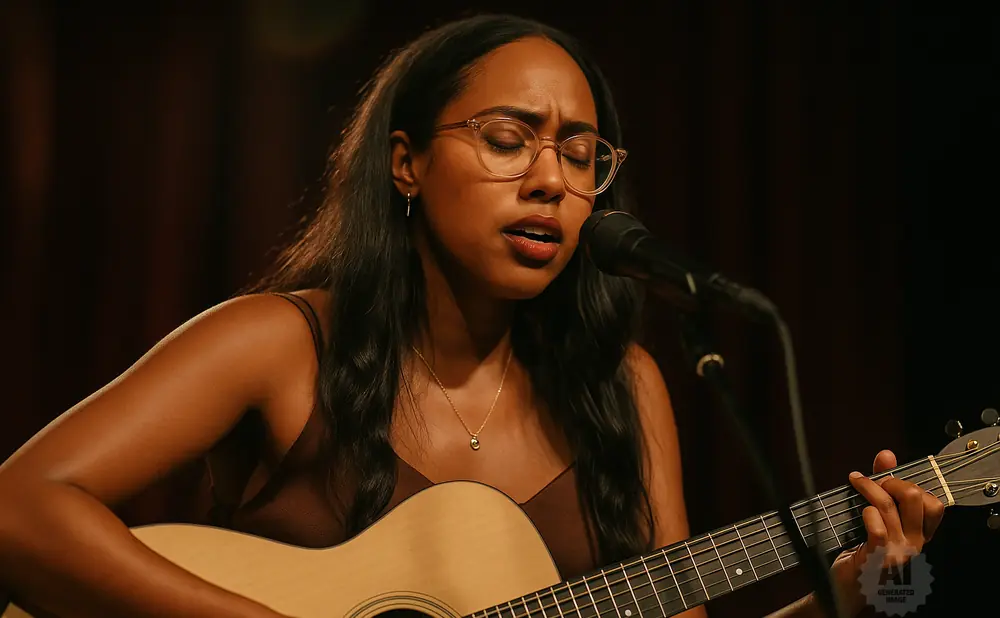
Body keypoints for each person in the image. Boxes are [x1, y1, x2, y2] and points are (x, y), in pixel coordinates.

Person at [0, 13, 943, 618]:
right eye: (507, 139)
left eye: (581, 155)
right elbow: (19, 506)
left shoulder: (623, 388)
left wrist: (862, 591)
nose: (548, 179)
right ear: (405, 164)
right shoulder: (279, 344)